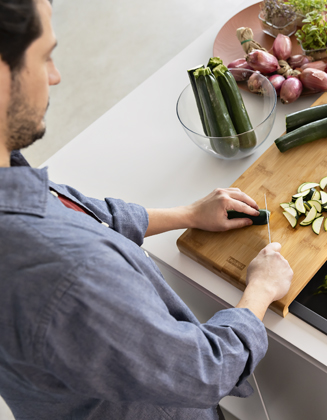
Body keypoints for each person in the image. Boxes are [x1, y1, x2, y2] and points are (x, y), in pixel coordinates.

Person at [0, 0, 294, 419]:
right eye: (45, 56)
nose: (55, 75)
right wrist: (261, 289)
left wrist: (188, 215)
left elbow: (79, 212)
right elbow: (202, 371)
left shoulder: (8, 175)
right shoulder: (69, 272)